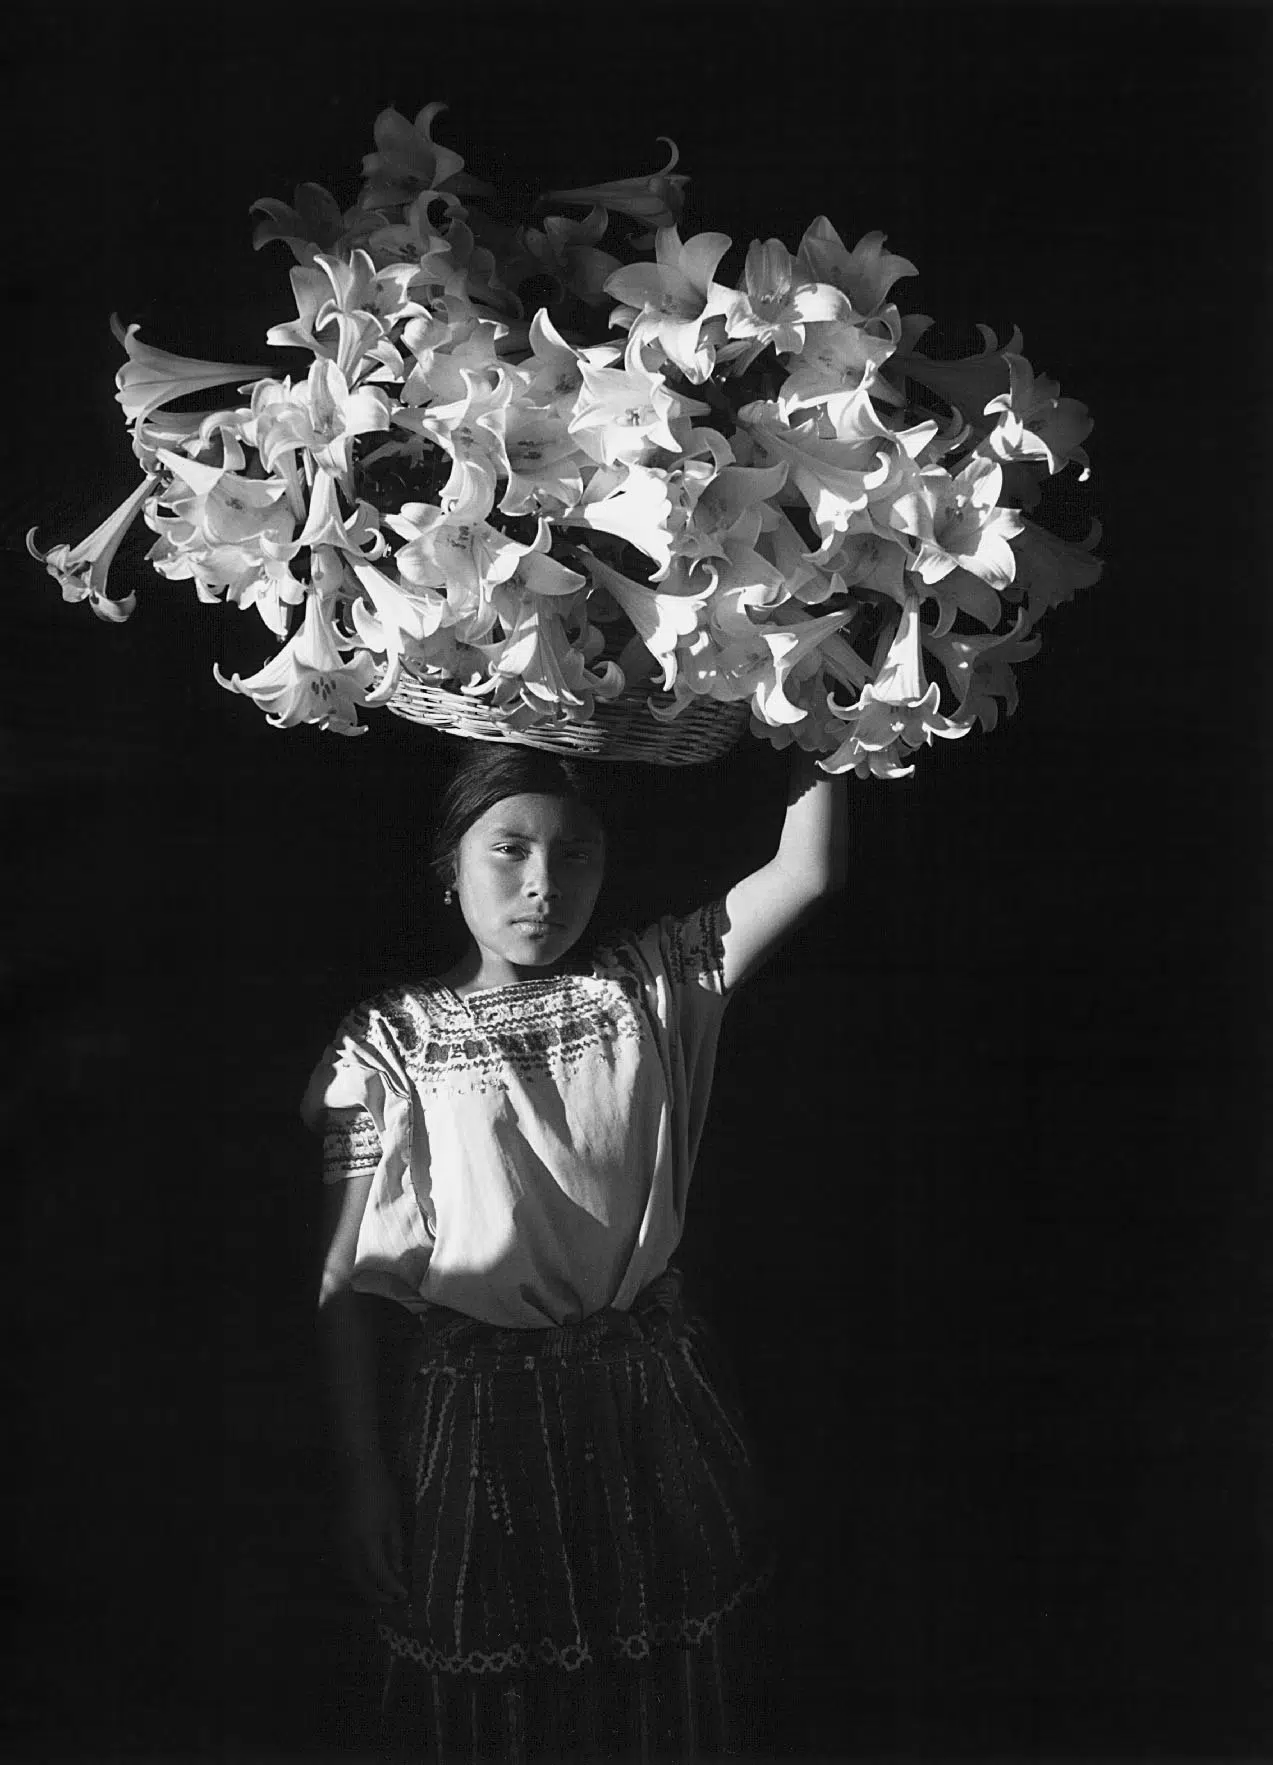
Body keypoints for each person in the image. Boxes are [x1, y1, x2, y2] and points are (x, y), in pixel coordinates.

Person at [302, 738, 848, 1763]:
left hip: (650, 1402)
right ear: (449, 867)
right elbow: (341, 1276)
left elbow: (806, 872)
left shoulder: (647, 986)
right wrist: (362, 1475)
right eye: (509, 849)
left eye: (576, 852)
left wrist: (822, 702)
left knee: (660, 1698)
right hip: (480, 1425)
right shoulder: (391, 1040)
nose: (544, 883)